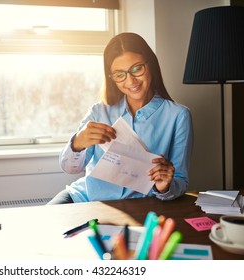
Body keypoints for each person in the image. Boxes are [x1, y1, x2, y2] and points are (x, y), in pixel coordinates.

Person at [47, 32, 193, 204]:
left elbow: (180, 181)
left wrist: (164, 187)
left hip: (141, 204)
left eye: (137, 68)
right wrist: (78, 143)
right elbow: (70, 168)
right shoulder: (99, 111)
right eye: (119, 74)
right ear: (112, 78)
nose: (130, 81)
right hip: (87, 197)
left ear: (150, 65)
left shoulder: (178, 116)